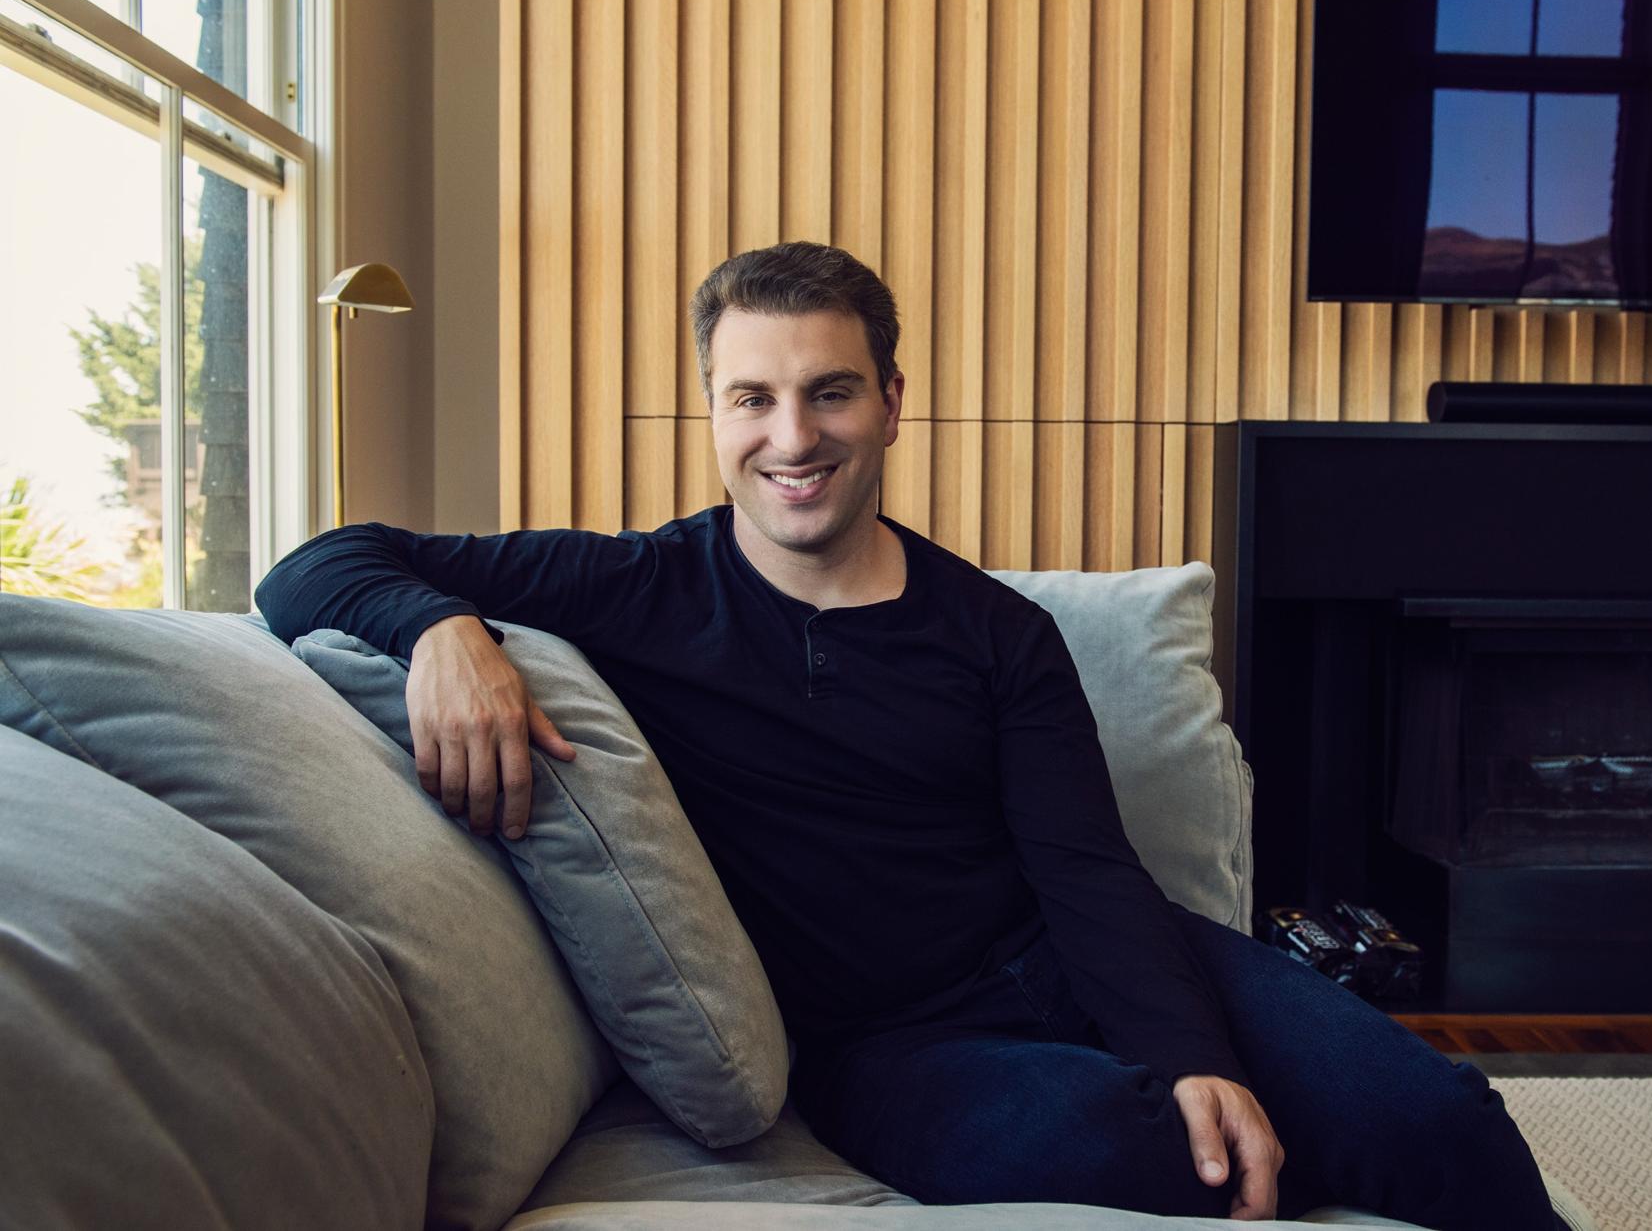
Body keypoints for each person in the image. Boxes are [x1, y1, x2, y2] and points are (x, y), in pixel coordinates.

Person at [255, 241, 1566, 1228]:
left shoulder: (999, 633)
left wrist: (1194, 1053)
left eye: (828, 393)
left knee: (1438, 1114)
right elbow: (317, 565)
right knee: (1149, 1147)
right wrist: (443, 630)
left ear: (890, 400)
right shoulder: (635, 589)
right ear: (712, 411)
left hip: (1079, 959)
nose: (791, 437)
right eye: (751, 398)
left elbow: (1087, 872)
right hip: (892, 1048)